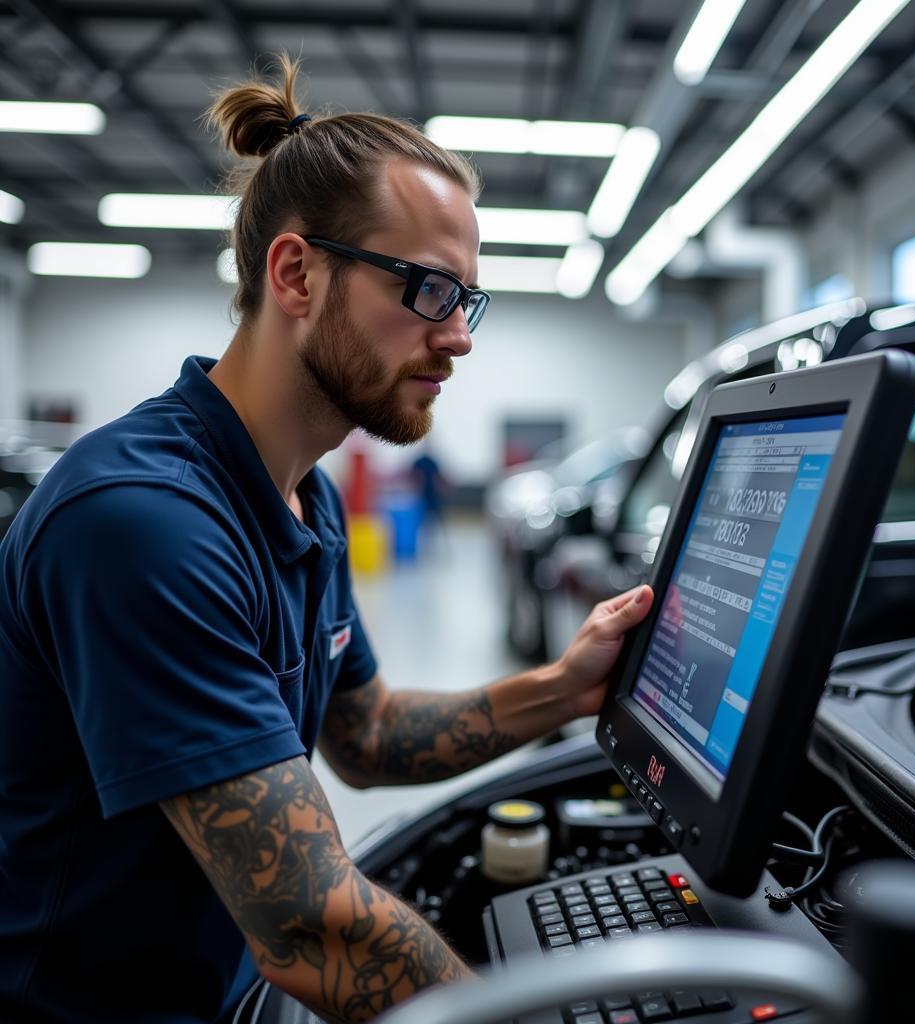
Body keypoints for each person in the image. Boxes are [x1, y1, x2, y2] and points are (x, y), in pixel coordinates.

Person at [0, 57, 653, 1024]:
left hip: (225, 990)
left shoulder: (300, 497)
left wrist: (565, 687)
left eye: (466, 300)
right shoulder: (142, 523)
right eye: (430, 289)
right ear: (298, 273)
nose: (460, 337)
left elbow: (367, 731)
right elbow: (310, 924)